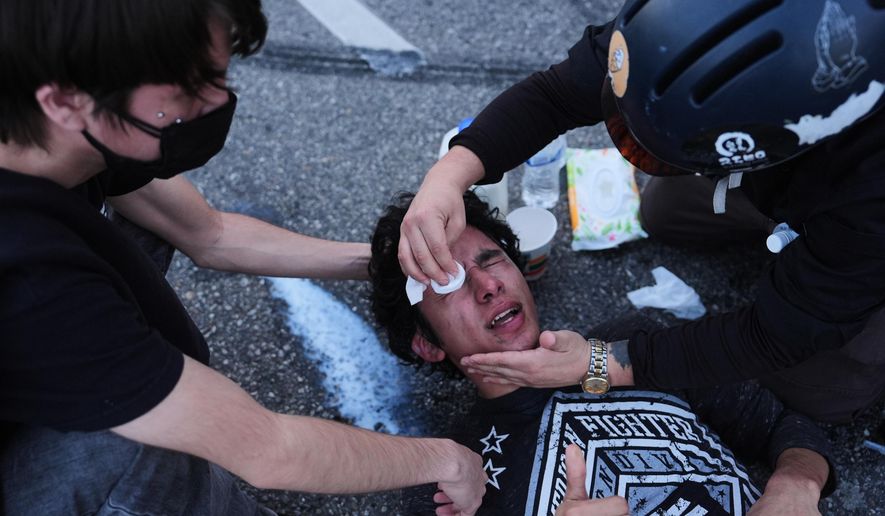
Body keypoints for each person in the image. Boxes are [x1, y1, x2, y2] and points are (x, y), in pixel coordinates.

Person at [0, 1, 486, 514]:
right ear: (65, 100)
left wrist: (388, 262)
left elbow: (209, 234)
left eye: (218, 74)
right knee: (134, 446)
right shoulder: (29, 277)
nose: (215, 102)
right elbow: (267, 449)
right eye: (186, 89)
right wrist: (445, 461)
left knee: (143, 226)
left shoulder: (56, 132)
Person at [396, 0, 885, 423]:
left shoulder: (866, 195)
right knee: (662, 211)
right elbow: (556, 96)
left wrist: (602, 364)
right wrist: (451, 173)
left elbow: (775, 337)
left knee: (815, 395)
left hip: (860, 230)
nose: (488, 287)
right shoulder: (683, 24)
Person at [370, 192, 834, 515]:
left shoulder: (631, 343)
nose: (488, 285)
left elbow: (783, 425)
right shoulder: (445, 480)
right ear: (427, 344)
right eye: (449, 282)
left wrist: (796, 485)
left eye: (491, 260)